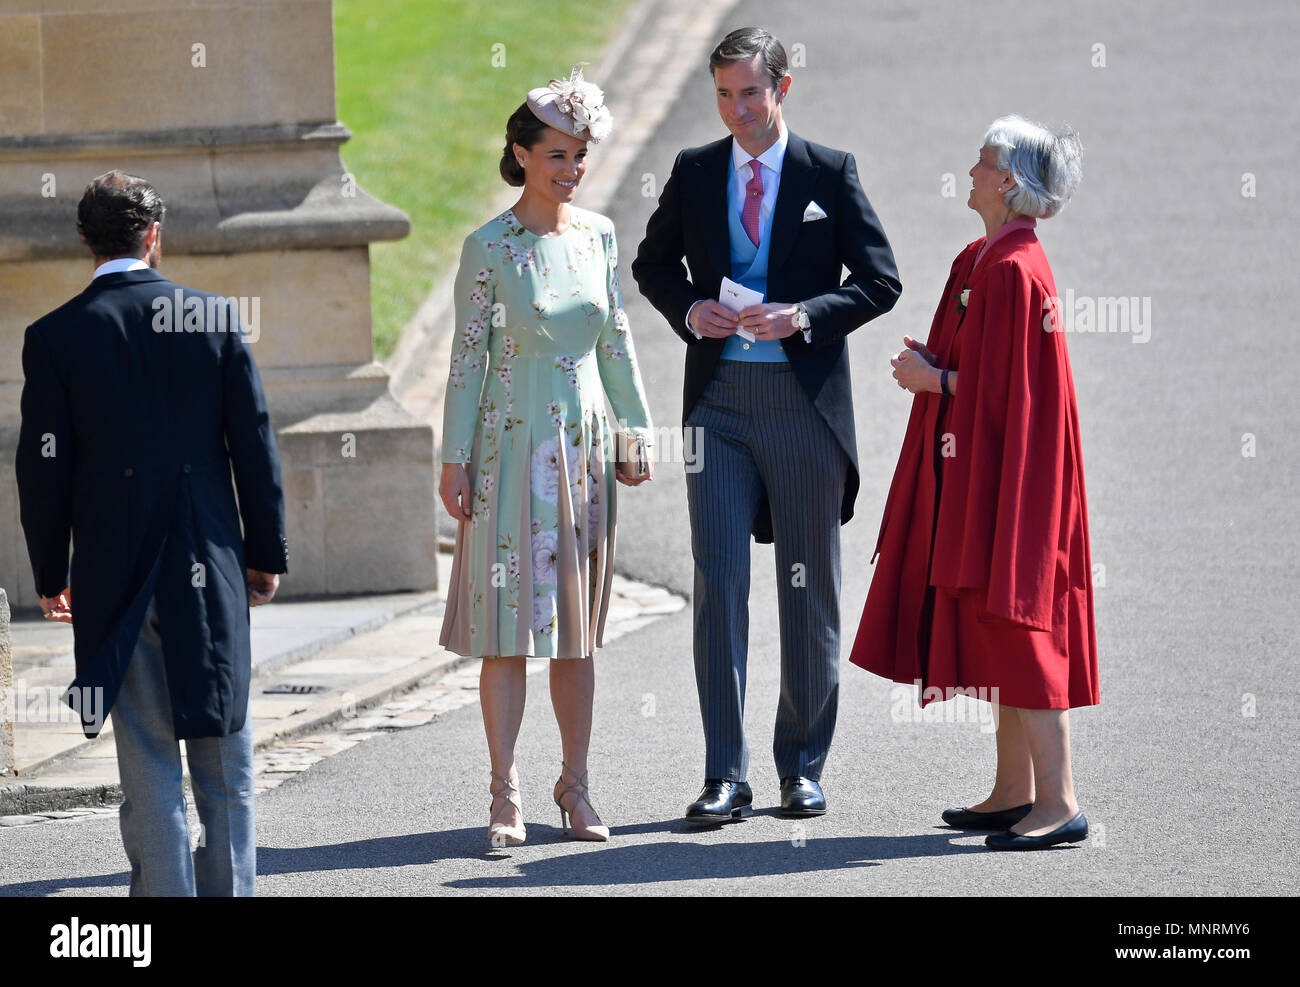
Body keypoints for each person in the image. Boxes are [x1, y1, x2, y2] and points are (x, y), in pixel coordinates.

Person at [632, 28, 900, 824]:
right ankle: (725, 773)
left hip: (804, 412)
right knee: (719, 584)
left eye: (750, 93)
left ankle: (803, 766)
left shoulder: (829, 173)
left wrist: (807, 315)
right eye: (723, 95)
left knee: (808, 588)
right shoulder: (696, 171)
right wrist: (689, 308)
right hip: (716, 410)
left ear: (782, 89)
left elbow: (881, 280)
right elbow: (652, 264)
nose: (737, 110)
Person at [15, 170, 288, 894]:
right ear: (155, 236)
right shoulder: (214, 319)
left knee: (147, 757)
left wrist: (50, 573)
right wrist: (264, 555)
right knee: (224, 756)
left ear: (83, 239)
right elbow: (254, 445)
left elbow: (42, 469)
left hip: (113, 568)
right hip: (209, 558)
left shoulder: (54, 337)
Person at [849, 115, 1098, 850]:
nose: (971, 166)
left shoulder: (1015, 267)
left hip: (1014, 479)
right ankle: (1013, 790)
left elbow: (1009, 394)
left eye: (984, 159)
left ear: (1010, 182)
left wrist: (935, 378)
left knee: (1024, 625)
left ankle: (1059, 800)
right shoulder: (986, 255)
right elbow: (990, 374)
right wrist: (940, 365)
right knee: (995, 623)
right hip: (985, 469)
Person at [437, 67, 655, 847]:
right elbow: (467, 360)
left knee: (576, 631)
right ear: (522, 155)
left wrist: (637, 431)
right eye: (557, 155)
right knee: (506, 629)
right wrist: (454, 458)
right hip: (508, 449)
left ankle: (577, 783)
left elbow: (616, 339)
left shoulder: (599, 234)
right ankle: (505, 792)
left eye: (580, 156)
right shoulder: (488, 248)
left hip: (588, 447)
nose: (571, 170)